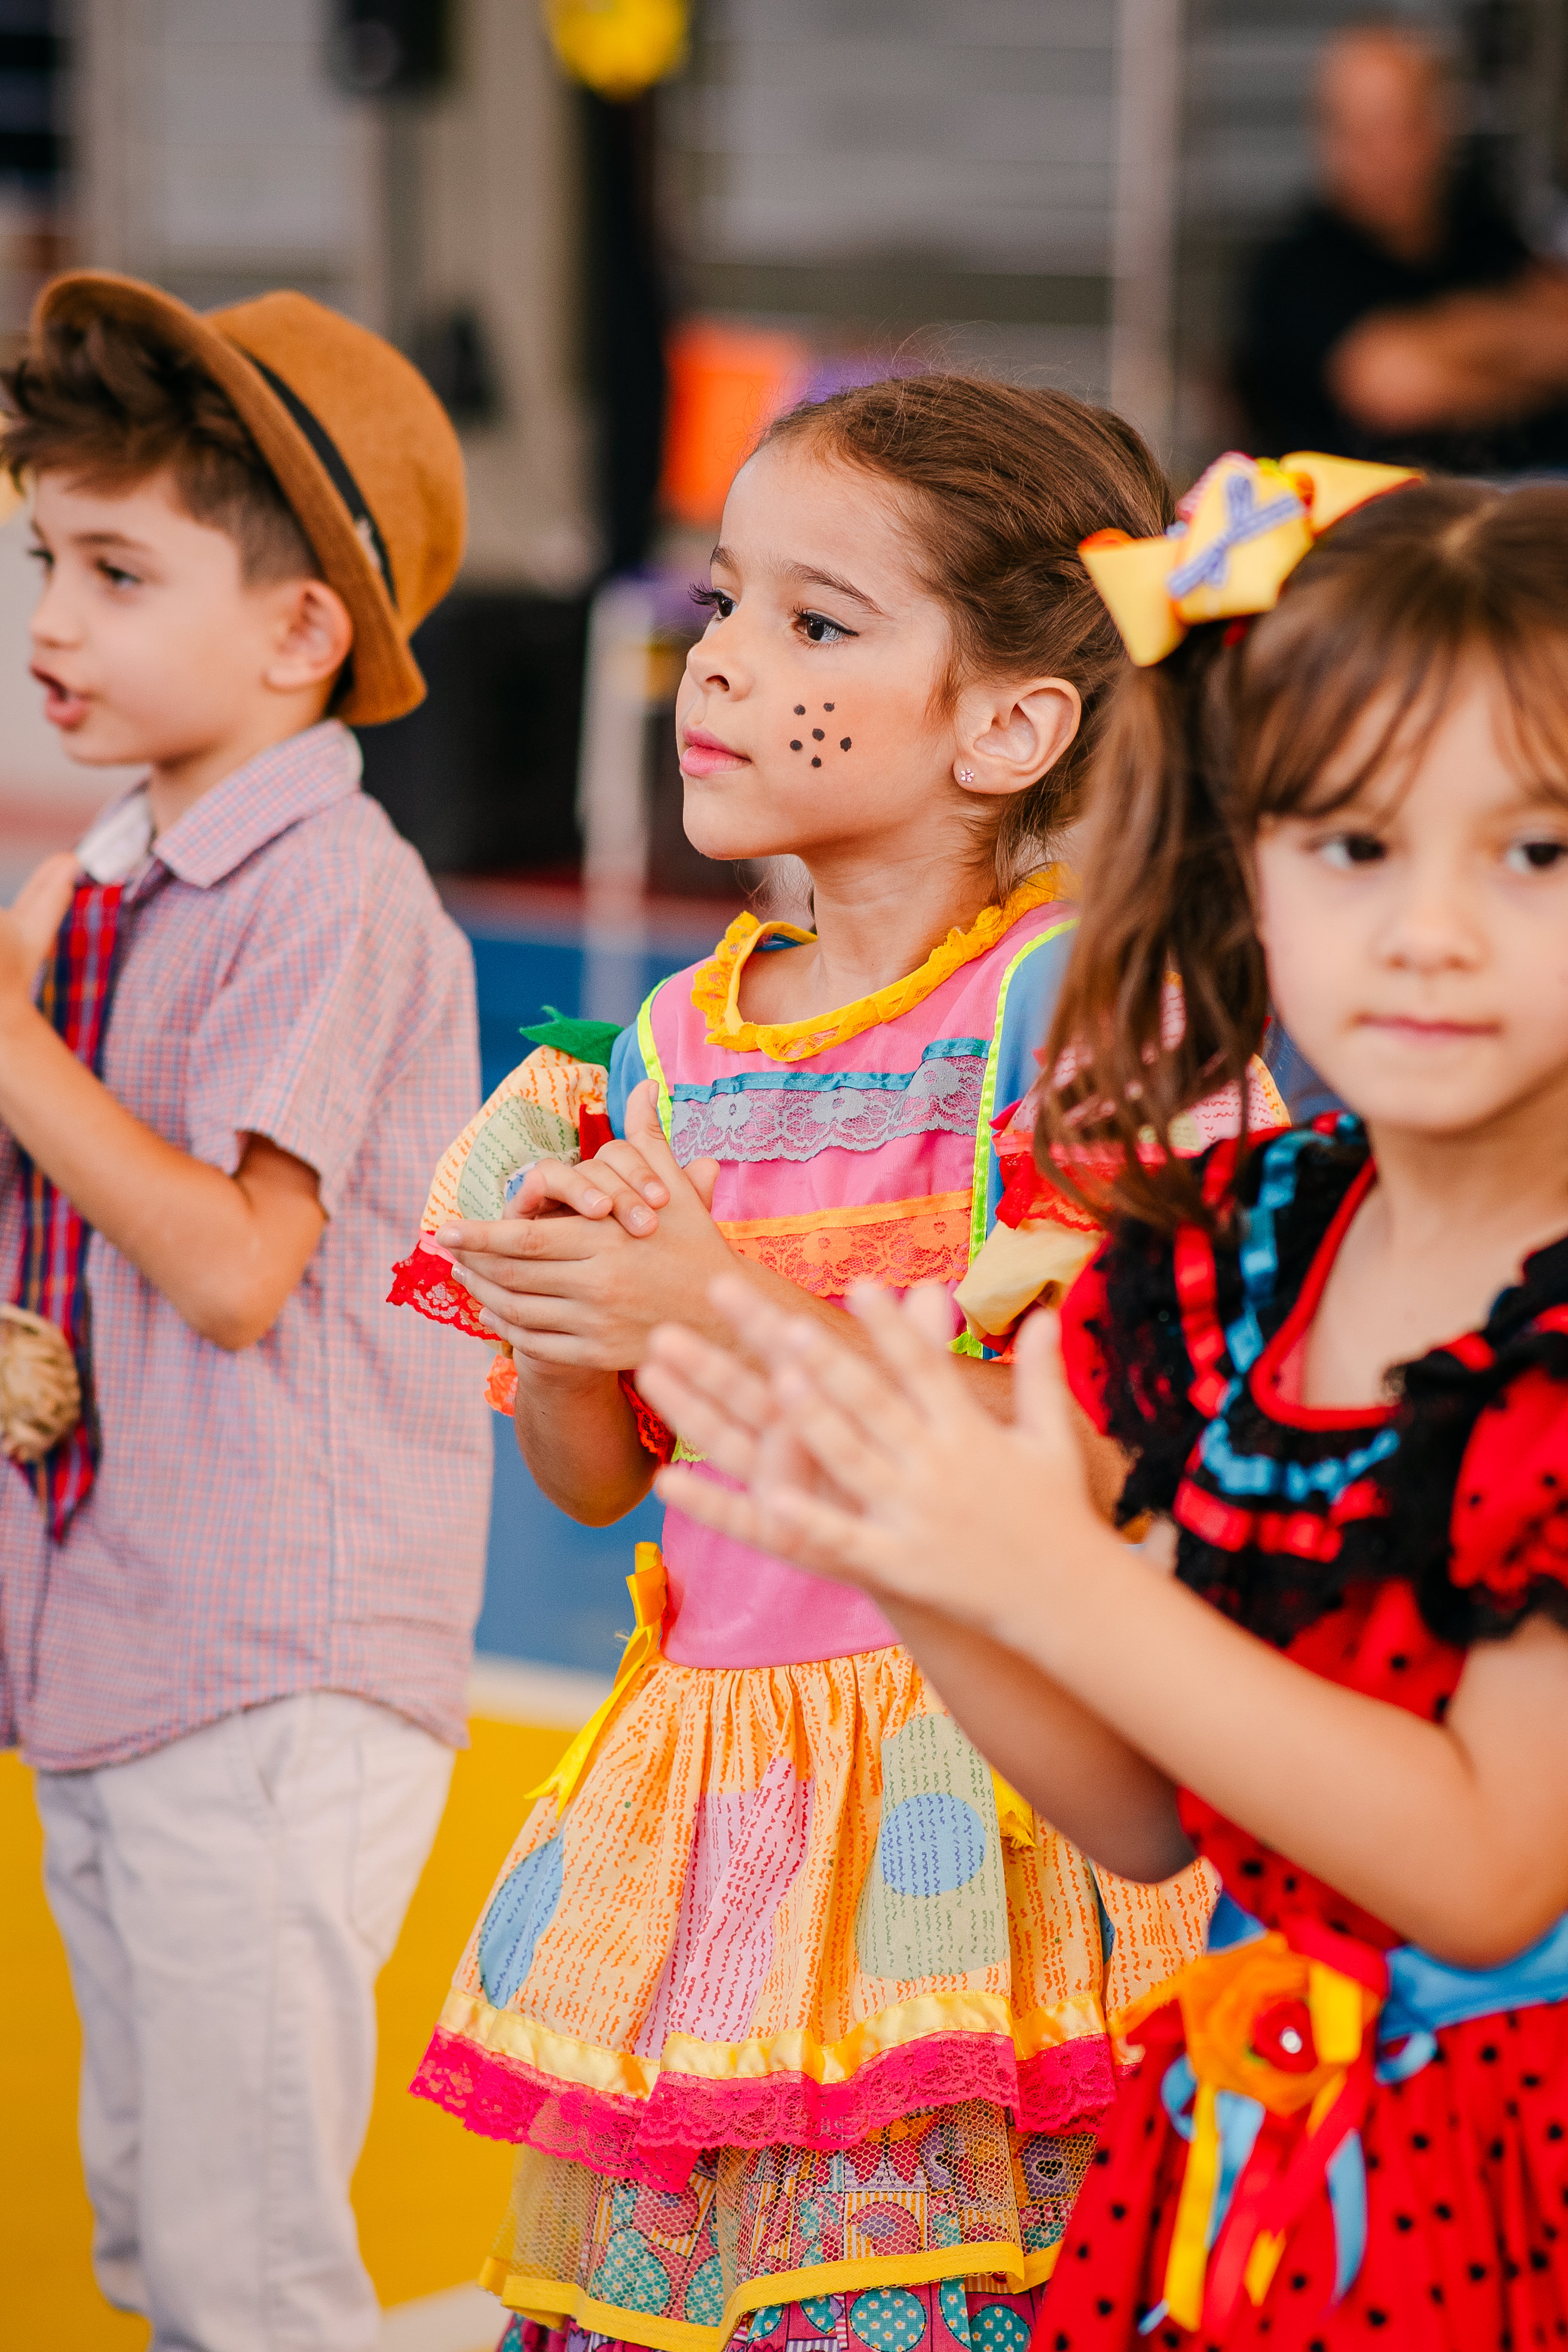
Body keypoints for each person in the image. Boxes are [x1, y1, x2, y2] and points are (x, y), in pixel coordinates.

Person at [638, 452, 1568, 2347]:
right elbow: (1144, 1819)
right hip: (1243, 2155)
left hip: (1504, 2181)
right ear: (1245, 861)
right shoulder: (1235, 1254)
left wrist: (1050, 1576)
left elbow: (1484, 1876)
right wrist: (912, 1548)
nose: (1431, 929)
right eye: (1352, 845)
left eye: (1535, 853)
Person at [401, 377, 1287, 2352]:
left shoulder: (1072, 1016)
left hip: (978, 1792)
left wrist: (704, 1303)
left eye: (816, 622)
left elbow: (1116, 1449)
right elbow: (602, 1483)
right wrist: (566, 1326)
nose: (721, 662)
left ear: (1009, 726)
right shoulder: (664, 1051)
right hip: (714, 1805)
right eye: (724, 601)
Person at [0, 274, 491, 2352]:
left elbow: (229, 1263)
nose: (53, 621)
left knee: (241, 2270)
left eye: (118, 571)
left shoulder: (329, 884)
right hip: (122, 1639)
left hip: (271, 1658)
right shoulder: (112, 875)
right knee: (164, 2245)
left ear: (300, 633)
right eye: (45, 557)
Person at [1235, 20, 1568, 474]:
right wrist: (1518, 354)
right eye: (1360, 133)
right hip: (1369, 513)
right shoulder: (1295, 270)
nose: (1383, 154)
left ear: (1441, 123)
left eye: (1400, 126)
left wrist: (1448, 346)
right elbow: (1391, 386)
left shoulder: (1486, 229)